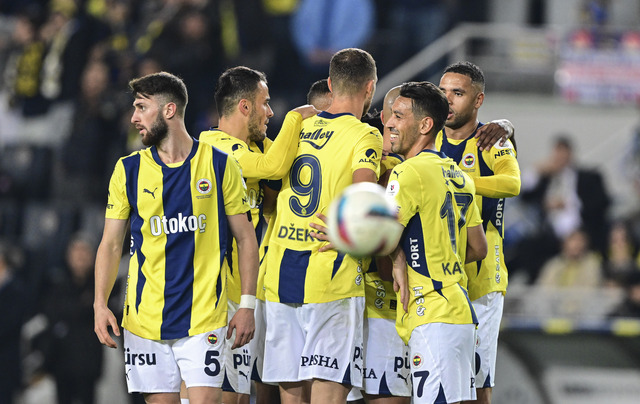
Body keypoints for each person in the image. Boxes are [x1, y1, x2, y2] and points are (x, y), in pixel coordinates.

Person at [93, 71, 259, 404]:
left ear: (169, 110)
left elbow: (245, 239)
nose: (134, 118)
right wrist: (99, 303)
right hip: (145, 322)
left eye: (141, 107)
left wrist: (246, 305)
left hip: (205, 317)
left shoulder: (219, 165)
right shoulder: (127, 170)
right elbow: (110, 244)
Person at [263, 47, 382, 404]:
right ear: (370, 87)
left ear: (330, 84)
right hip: (330, 275)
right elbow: (365, 198)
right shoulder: (365, 135)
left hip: (280, 275)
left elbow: (269, 190)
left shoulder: (297, 127)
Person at [199, 66, 317, 404]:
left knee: (237, 396)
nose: (270, 112)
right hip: (212, 297)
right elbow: (272, 168)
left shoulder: (250, 148)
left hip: (241, 294)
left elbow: (277, 183)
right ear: (245, 106)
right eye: (265, 103)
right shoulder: (214, 147)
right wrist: (295, 117)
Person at [386, 81, 487, 404]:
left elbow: (381, 239)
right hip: (458, 311)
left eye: (399, 116)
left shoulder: (408, 173)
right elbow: (479, 248)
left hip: (432, 313)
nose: (389, 123)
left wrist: (341, 234)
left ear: (425, 125)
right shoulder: (460, 176)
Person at [436, 61, 521, 404]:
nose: (448, 100)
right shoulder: (429, 137)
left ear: (478, 100)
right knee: (436, 381)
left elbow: (512, 183)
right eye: (443, 91)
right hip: (438, 276)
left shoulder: (491, 140)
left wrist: (459, 180)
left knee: (476, 385)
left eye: (457, 93)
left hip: (482, 280)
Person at [39, 233, 107, 404]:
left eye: (85, 251)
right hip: (62, 361)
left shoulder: (101, 286)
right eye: (76, 251)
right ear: (68, 255)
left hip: (88, 363)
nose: (80, 256)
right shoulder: (56, 284)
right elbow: (51, 314)